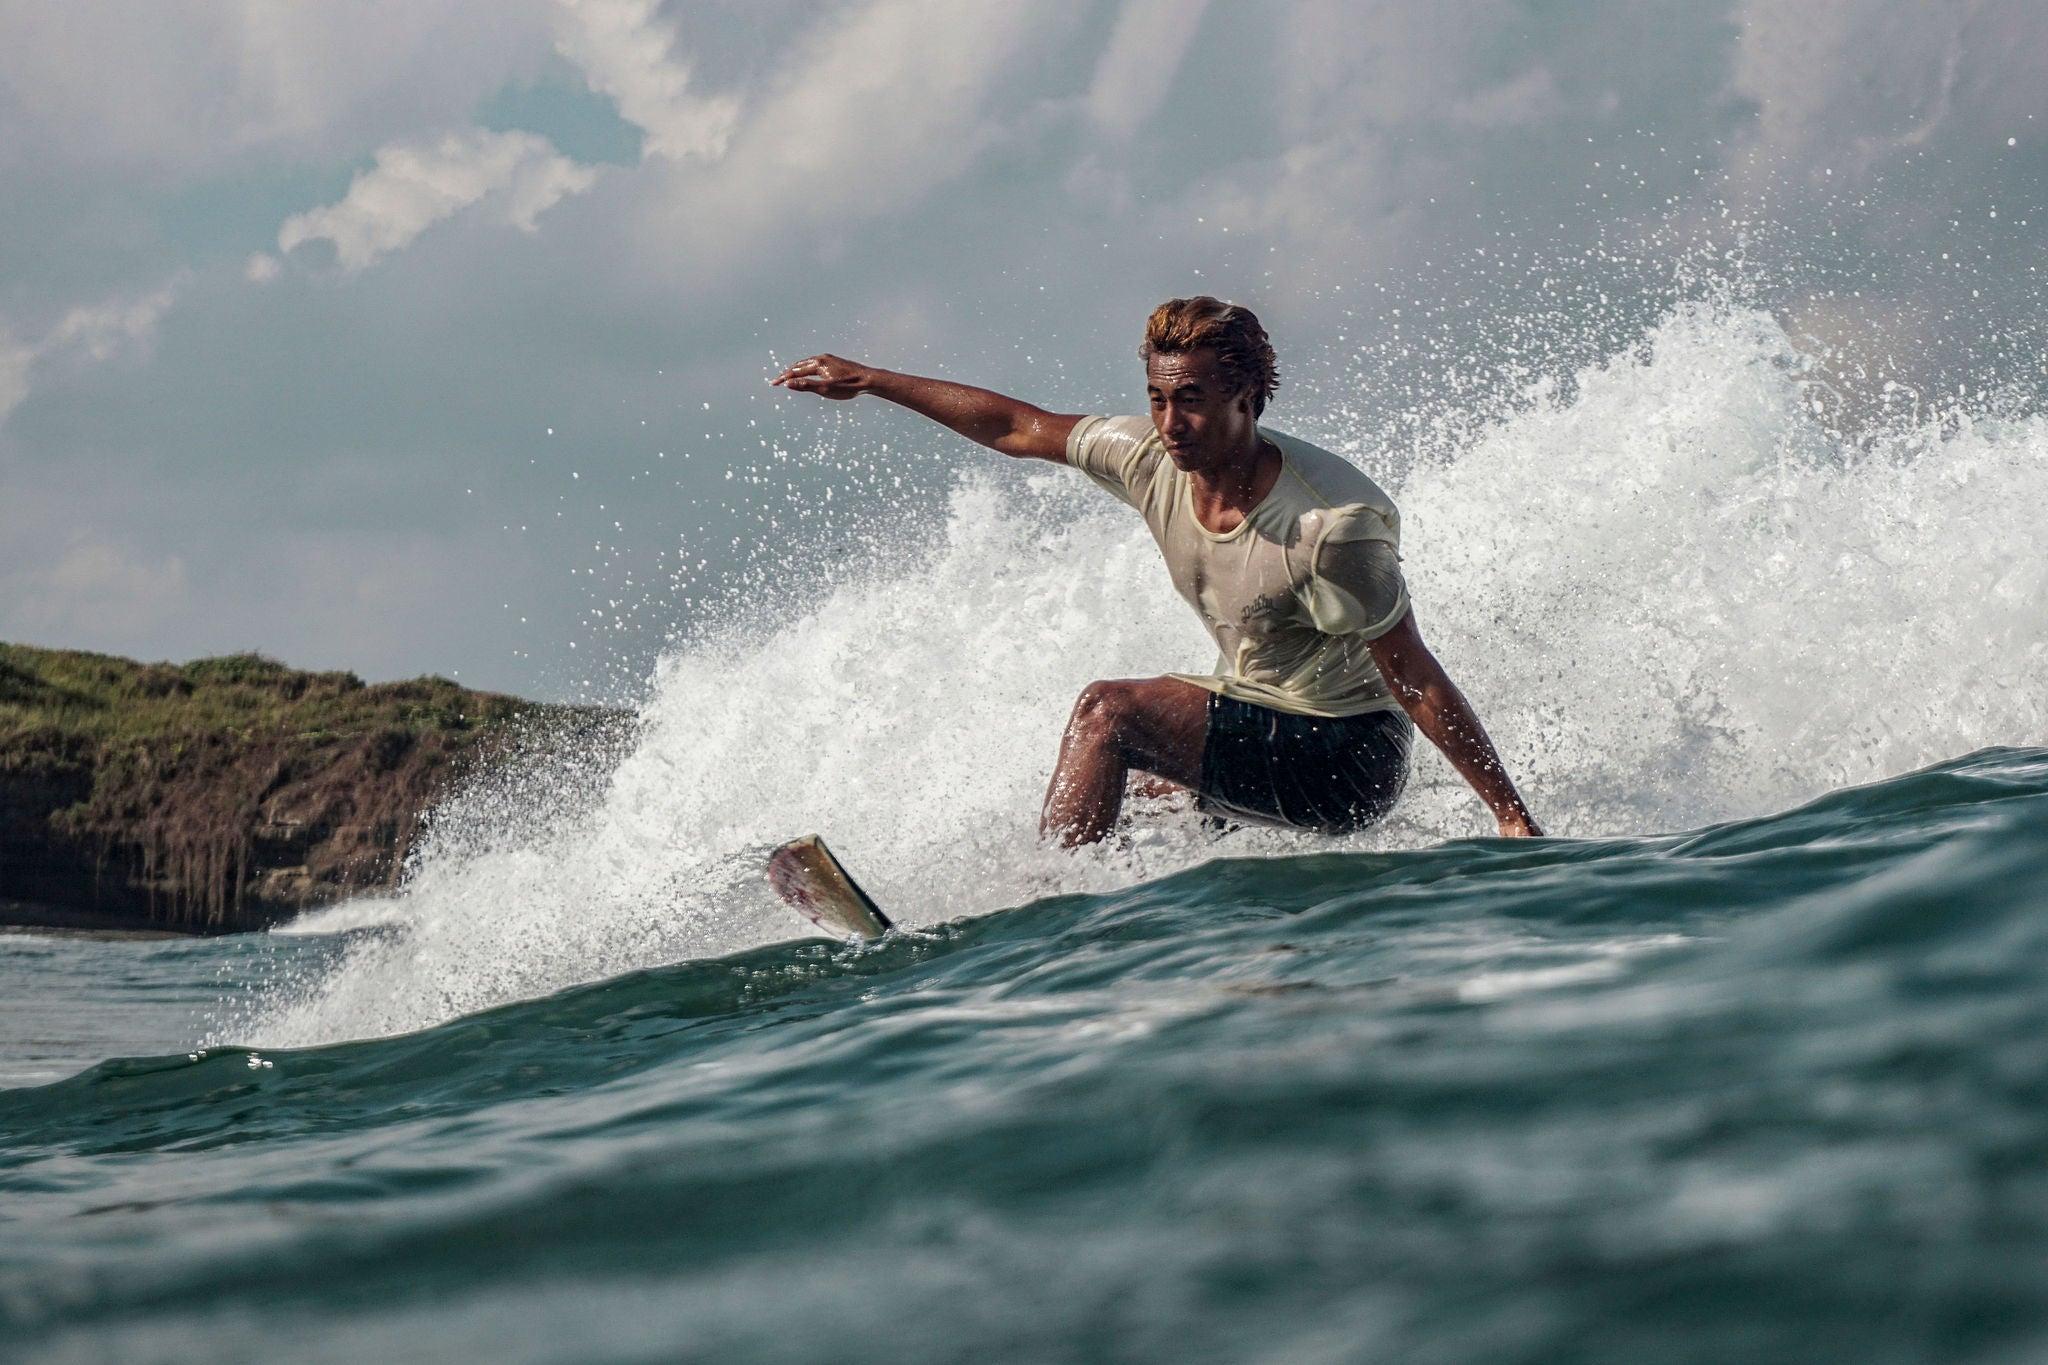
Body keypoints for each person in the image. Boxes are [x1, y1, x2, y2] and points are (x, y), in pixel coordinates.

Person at [772, 296, 1542, 845]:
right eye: (1159, 398)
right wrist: (873, 379)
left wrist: (1509, 814)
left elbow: (1415, 676)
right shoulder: (1147, 457)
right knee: (1126, 798)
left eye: (1193, 401)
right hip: (1258, 710)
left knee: (1109, 714)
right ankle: (1121, 931)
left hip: (1346, 757)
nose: (1171, 423)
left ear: (1247, 399)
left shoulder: (1328, 528)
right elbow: (1017, 426)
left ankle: (1049, 921)